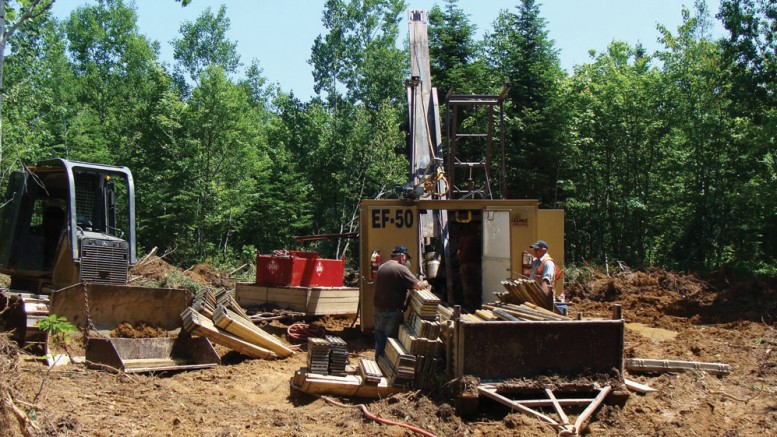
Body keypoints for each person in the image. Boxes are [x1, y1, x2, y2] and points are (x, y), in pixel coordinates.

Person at [373, 244, 427, 359]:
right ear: (402, 256)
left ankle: (377, 365)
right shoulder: (400, 268)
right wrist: (426, 283)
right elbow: (418, 285)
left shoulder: (382, 267)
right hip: (391, 314)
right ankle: (387, 368)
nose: (406, 261)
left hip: (378, 312)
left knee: (380, 344)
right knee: (392, 347)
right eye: (406, 258)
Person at [456, 225, 481, 311]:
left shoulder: (465, 238)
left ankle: (468, 306)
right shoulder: (480, 239)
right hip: (475, 264)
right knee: (477, 284)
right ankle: (477, 305)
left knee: (466, 286)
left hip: (464, 264)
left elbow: (458, 252)